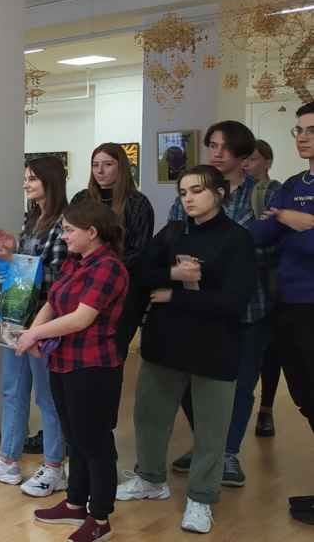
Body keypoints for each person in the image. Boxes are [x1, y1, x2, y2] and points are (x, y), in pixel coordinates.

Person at [117, 165, 256, 535]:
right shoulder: (174, 231)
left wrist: (174, 296)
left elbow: (233, 302)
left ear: (220, 193)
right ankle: (150, 479)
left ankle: (201, 497)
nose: (189, 199)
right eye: (183, 192)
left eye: (197, 190)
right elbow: (139, 273)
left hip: (215, 345)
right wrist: (172, 276)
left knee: (211, 429)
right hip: (165, 341)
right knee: (149, 415)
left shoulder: (237, 239)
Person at [166, 122, 281, 487]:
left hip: (250, 306)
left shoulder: (263, 194)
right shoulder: (188, 194)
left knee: (240, 384)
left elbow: (273, 245)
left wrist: (225, 253)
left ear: (243, 154)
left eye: (226, 147)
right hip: (197, 304)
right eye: (212, 145)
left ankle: (227, 453)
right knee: (191, 383)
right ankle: (208, 446)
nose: (217, 152)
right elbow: (173, 241)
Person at [15, 200, 129, 542]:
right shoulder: (74, 262)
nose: (63, 236)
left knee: (95, 443)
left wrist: (34, 335)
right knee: (74, 439)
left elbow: (82, 317)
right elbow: (52, 302)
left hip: (93, 367)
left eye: (69, 230)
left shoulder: (109, 268)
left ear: (92, 232)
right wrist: (34, 331)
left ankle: (100, 518)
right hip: (64, 362)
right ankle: (76, 502)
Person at [0, 156, 68, 498]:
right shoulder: (33, 219)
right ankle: (8, 460)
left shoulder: (64, 223)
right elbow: (29, 267)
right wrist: (14, 251)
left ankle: (54, 467)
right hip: (17, 317)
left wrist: (18, 260)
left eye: (32, 179)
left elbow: (59, 278)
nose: (26, 184)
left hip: (45, 321)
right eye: (26, 178)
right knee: (12, 389)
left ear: (50, 182)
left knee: (47, 396)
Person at [251, 103, 314, 524]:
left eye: (311, 130)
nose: (303, 137)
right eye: (299, 129)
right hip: (289, 304)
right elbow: (263, 231)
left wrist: (300, 223)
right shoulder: (293, 184)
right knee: (305, 397)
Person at [71, 143, 154, 361]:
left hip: (122, 287)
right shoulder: (82, 199)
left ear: (121, 167)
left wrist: (104, 270)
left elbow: (139, 250)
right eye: (95, 165)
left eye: (107, 164)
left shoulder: (137, 203)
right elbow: (70, 240)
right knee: (81, 348)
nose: (100, 171)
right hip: (83, 283)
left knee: (112, 352)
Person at [246, 139, 284, 437]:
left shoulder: (275, 192)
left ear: (267, 162)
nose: (248, 164)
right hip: (243, 283)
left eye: (254, 159)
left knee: (271, 349)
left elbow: (274, 237)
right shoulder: (232, 192)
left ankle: (266, 409)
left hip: (270, 282)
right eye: (244, 159)